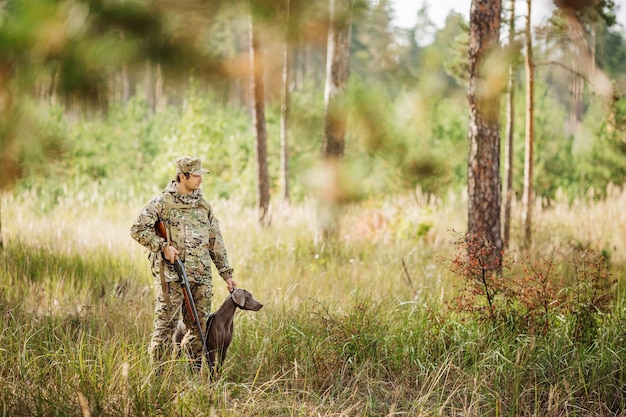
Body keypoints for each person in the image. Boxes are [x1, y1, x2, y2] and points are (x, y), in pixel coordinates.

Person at [130, 156, 236, 371]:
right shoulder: (162, 203)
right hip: (172, 276)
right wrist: (162, 246)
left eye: (201, 175)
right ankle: (158, 378)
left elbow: (215, 241)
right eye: (196, 176)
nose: (200, 180)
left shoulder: (203, 205)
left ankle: (194, 376)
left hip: (201, 277)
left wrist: (226, 274)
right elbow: (137, 229)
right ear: (182, 176)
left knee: (200, 327)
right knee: (165, 327)